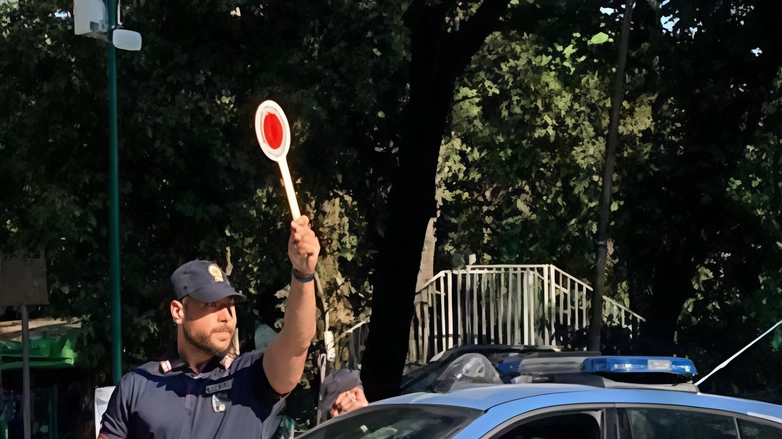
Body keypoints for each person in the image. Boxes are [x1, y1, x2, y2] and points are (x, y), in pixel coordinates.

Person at [99, 216, 320, 439]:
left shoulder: (251, 376)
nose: (226, 317)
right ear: (178, 312)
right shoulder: (137, 385)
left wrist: (303, 275)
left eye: (230, 306)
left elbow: (297, 341)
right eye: (212, 304)